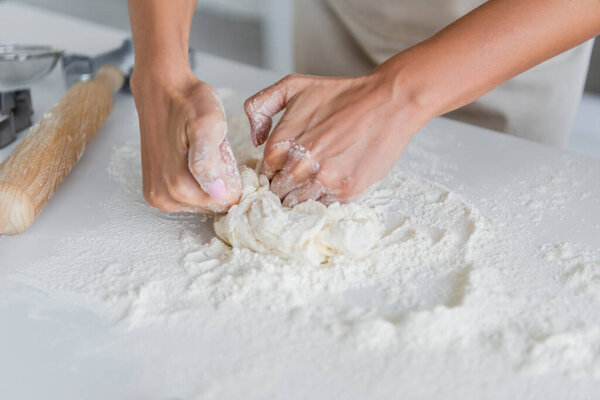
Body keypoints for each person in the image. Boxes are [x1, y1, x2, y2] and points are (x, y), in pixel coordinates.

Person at [127, 0, 600, 213]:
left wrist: (396, 95)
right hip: (345, 17)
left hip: (507, 38)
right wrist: (161, 72)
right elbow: (161, 71)